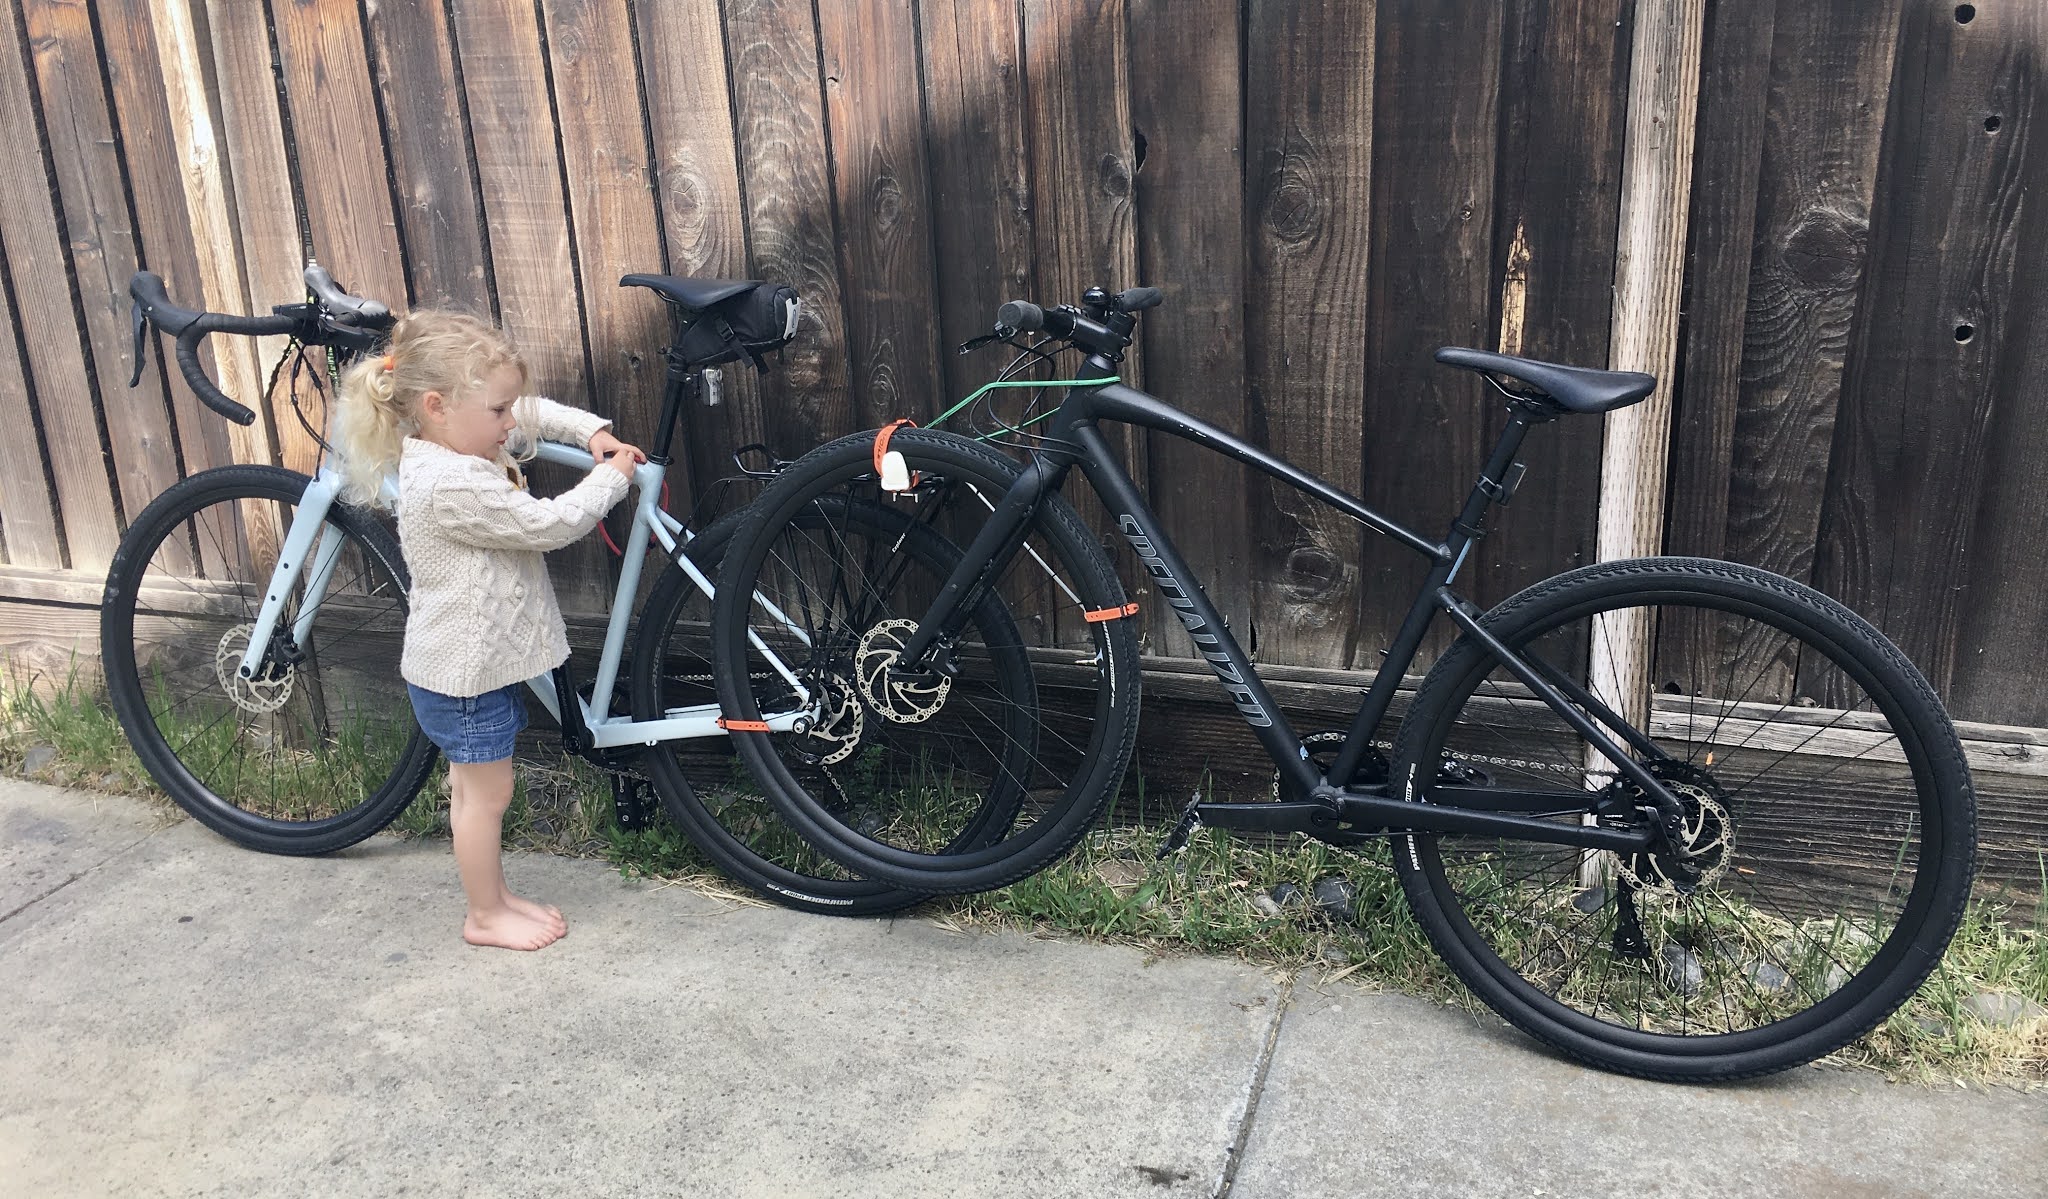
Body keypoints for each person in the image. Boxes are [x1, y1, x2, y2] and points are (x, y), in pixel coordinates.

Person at [333, 311, 641, 950]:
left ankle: (495, 898)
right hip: (463, 679)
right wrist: (611, 479)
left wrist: (589, 431)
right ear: (437, 406)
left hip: (470, 669)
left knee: (476, 793)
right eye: (498, 411)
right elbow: (548, 526)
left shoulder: (453, 440)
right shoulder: (452, 483)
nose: (510, 423)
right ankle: (484, 915)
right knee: (484, 798)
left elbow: (532, 412)